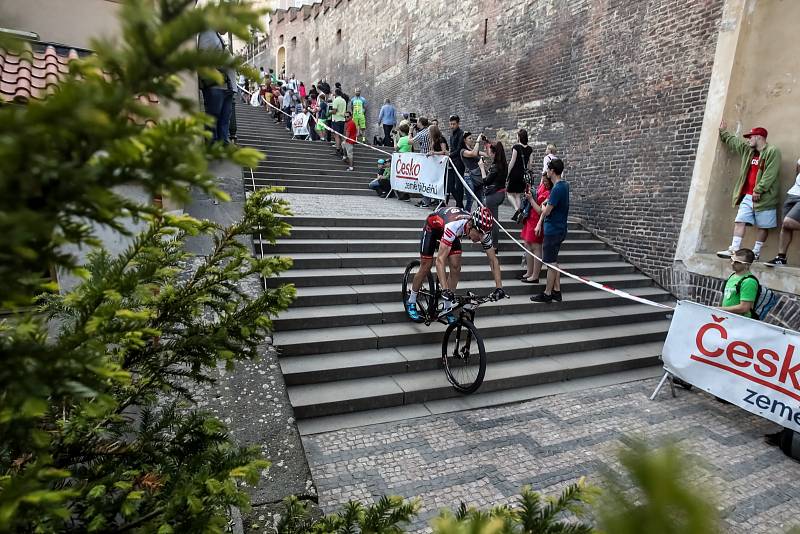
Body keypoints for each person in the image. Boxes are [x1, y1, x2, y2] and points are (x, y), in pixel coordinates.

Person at [405, 206, 506, 322]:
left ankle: (447, 307)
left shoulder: (483, 232)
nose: (480, 238)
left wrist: (499, 287)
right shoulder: (454, 225)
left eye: (483, 235)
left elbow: (493, 260)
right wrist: (445, 290)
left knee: (456, 266)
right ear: (470, 225)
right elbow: (440, 260)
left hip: (451, 232)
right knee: (426, 265)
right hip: (433, 228)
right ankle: (411, 300)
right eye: (479, 234)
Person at [717, 121, 782, 260]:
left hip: (765, 198)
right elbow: (735, 143)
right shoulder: (748, 151)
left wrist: (759, 190)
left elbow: (771, 173)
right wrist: (723, 132)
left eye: (750, 137)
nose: (748, 139)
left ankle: (756, 252)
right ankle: (734, 249)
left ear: (759, 137)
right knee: (740, 221)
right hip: (747, 195)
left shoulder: (772, 151)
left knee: (763, 226)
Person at [531, 158, 569, 303]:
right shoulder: (564, 185)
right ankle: (557, 291)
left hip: (553, 230)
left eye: (548, 169)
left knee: (550, 262)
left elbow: (545, 211)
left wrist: (542, 204)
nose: (546, 171)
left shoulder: (558, 188)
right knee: (553, 261)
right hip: (559, 228)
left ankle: (547, 293)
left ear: (552, 171)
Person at [197, 30, 235, 145]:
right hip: (216, 85)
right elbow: (204, 58)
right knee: (213, 118)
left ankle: (223, 144)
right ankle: (213, 146)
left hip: (226, 85)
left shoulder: (216, 34)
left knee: (224, 119)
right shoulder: (207, 32)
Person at [764, 157, 800, 266]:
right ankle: (781, 258)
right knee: (786, 226)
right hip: (794, 193)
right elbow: (798, 167)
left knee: (788, 222)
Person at [519, 171, 553, 283]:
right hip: (530, 218)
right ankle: (529, 272)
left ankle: (535, 275)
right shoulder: (543, 186)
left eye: (546, 181)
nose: (543, 183)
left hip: (538, 220)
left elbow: (540, 211)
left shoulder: (550, 192)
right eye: (542, 181)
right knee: (527, 245)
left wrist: (531, 199)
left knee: (536, 247)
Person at [478, 141, 507, 251]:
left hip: (494, 195)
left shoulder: (496, 166)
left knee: (493, 221)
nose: (488, 151)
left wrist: (481, 168)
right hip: (499, 193)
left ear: (494, 152)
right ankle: (492, 245)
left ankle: (493, 246)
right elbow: (492, 178)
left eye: (489, 149)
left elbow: (486, 181)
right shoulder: (502, 164)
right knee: (492, 220)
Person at [507, 129, 533, 216]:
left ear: (519, 137)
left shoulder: (516, 147)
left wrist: (507, 172)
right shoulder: (530, 149)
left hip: (515, 173)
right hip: (523, 175)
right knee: (517, 195)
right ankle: (519, 214)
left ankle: (517, 209)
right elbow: (530, 165)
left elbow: (512, 161)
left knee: (509, 193)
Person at [460, 132, 485, 212]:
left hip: (478, 176)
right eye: (469, 138)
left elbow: (487, 154)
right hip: (469, 177)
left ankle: (480, 219)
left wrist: (486, 143)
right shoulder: (463, 151)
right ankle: (466, 217)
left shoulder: (473, 150)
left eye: (472, 138)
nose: (472, 140)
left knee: (480, 200)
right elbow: (474, 154)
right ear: (464, 140)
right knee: (470, 200)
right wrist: (478, 141)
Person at [331, 88, 347, 154]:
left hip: (336, 119)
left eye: (334, 92)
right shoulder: (344, 100)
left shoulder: (336, 100)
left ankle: (337, 149)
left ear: (336, 93)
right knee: (341, 135)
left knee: (336, 135)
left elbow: (334, 111)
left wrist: (329, 112)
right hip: (342, 119)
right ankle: (343, 149)